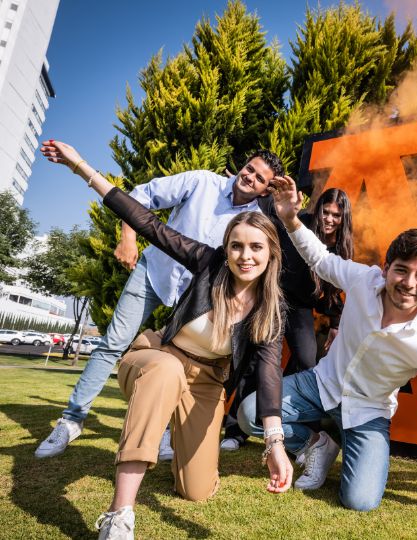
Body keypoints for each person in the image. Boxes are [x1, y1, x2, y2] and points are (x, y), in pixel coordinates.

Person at [40, 140, 293, 540]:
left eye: (256, 247)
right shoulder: (209, 262)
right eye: (237, 246)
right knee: (166, 371)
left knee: (197, 491)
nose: (245, 255)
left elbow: (268, 374)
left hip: (207, 384)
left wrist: (274, 444)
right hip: (159, 357)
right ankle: (120, 511)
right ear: (225, 249)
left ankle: (176, 435)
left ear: (271, 254)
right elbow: (147, 222)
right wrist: (81, 166)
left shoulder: (269, 308)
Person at [237, 175, 417, 530]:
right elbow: (319, 258)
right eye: (401, 270)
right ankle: (317, 443)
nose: (409, 283)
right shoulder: (364, 279)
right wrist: (290, 219)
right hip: (320, 384)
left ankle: (342, 446)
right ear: (387, 269)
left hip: (368, 411)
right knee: (250, 414)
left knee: (360, 500)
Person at [220, 188, 354, 450]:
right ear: (317, 210)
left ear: (344, 217)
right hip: (273, 297)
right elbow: (271, 208)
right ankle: (235, 431)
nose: (329, 218)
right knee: (254, 362)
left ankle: (302, 430)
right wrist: (245, 190)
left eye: (336, 215)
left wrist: (336, 323)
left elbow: (334, 289)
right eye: (325, 212)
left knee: (307, 359)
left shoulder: (341, 246)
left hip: (301, 308)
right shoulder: (299, 220)